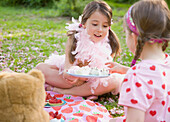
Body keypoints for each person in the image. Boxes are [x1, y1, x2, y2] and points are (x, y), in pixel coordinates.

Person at [36, 0, 125, 98]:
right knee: (41, 68)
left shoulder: (110, 43)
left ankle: (57, 90)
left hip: (91, 82)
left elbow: (102, 72)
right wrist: (72, 76)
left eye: (104, 26)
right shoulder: (74, 38)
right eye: (95, 24)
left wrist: (85, 79)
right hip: (71, 80)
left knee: (114, 81)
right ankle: (84, 92)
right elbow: (67, 68)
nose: (100, 29)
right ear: (84, 23)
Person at [108, 0, 170, 121]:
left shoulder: (136, 77)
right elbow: (154, 79)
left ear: (133, 37)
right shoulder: (166, 64)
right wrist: (125, 69)